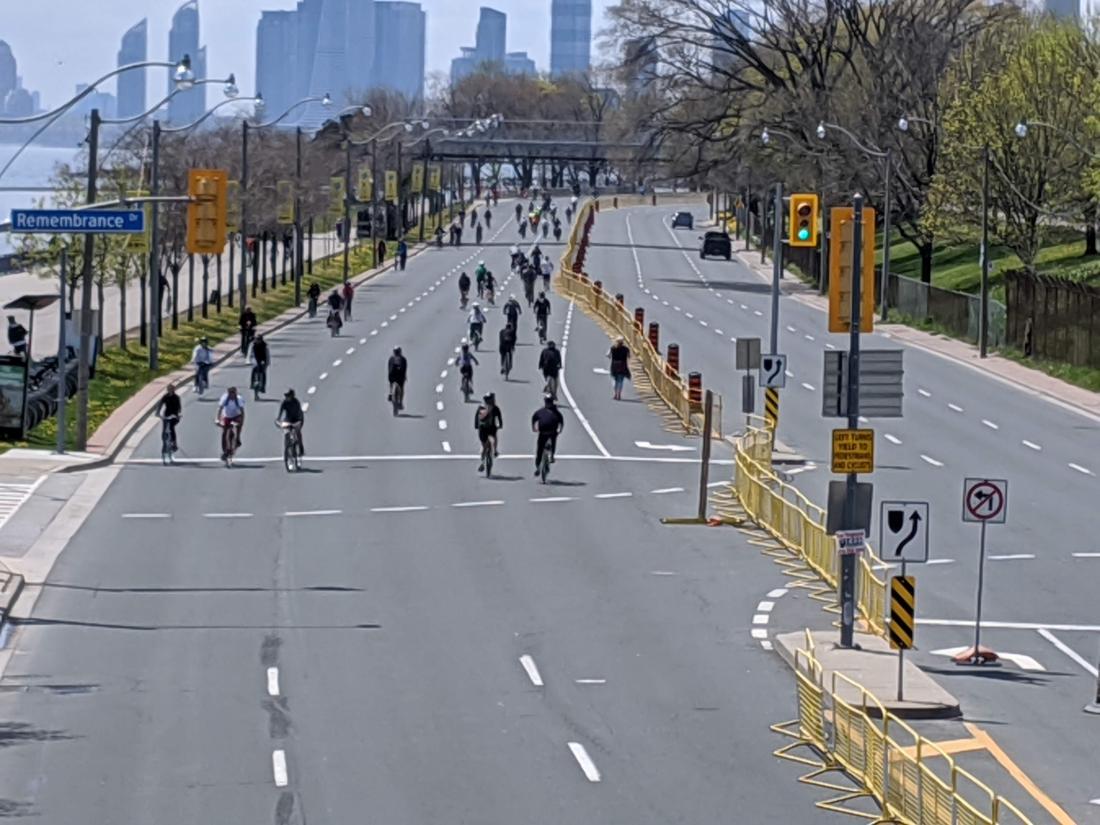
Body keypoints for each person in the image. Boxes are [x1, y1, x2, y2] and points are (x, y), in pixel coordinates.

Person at [531, 394, 564, 475]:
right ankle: (538, 467)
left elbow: (561, 422)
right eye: (547, 401)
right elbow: (534, 418)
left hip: (552, 432)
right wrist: (533, 427)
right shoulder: (541, 411)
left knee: (552, 441)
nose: (548, 403)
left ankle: (551, 455)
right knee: (539, 450)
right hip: (543, 432)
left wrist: (560, 429)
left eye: (549, 401)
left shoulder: (556, 412)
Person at [474, 393, 503, 470]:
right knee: (494, 438)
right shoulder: (495, 408)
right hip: (492, 428)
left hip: (482, 429)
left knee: (484, 446)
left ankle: (482, 463)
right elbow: (499, 418)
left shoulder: (480, 407)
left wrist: (476, 426)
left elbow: (476, 418)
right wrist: (500, 425)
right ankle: (495, 450)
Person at [215, 386, 246, 459]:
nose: (232, 396)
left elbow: (242, 412)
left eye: (233, 394)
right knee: (225, 432)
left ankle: (237, 438)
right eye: (230, 394)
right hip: (227, 416)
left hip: (236, 416)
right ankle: (226, 450)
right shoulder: (224, 398)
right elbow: (220, 409)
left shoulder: (239, 399)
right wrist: (217, 419)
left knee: (236, 428)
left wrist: (241, 422)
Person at [154, 383, 182, 453]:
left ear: (173, 390)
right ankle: (164, 444)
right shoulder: (165, 397)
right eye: (168, 389)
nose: (169, 391)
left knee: (171, 428)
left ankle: (174, 443)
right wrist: (158, 412)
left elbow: (179, 408)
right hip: (167, 414)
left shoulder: (176, 398)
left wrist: (178, 414)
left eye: (171, 389)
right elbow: (160, 404)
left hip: (174, 416)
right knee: (164, 430)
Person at [277, 388, 305, 456]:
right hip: (288, 419)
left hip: (297, 419)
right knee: (286, 433)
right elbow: (280, 413)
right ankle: (287, 447)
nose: (287, 397)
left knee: (298, 432)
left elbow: (300, 413)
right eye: (286, 396)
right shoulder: (284, 403)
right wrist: (278, 420)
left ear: (292, 396)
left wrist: (299, 422)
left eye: (288, 396)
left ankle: (301, 448)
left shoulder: (296, 402)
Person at [608, 336, 631, 400]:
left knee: (614, 380)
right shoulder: (626, 349)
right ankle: (619, 395)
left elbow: (608, 355)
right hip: (623, 365)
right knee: (620, 381)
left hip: (614, 365)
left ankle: (615, 394)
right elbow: (629, 356)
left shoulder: (613, 348)